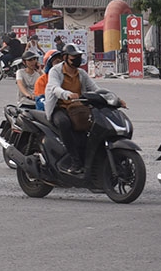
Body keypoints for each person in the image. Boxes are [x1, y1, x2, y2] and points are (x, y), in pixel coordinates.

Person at [45, 44, 120, 174]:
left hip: (78, 108)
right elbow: (54, 88)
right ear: (65, 57)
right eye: (74, 56)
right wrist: (66, 94)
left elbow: (96, 88)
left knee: (95, 124)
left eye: (79, 56)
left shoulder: (81, 73)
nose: (77, 59)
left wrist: (115, 99)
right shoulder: (55, 71)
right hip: (60, 107)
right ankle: (75, 162)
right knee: (64, 123)